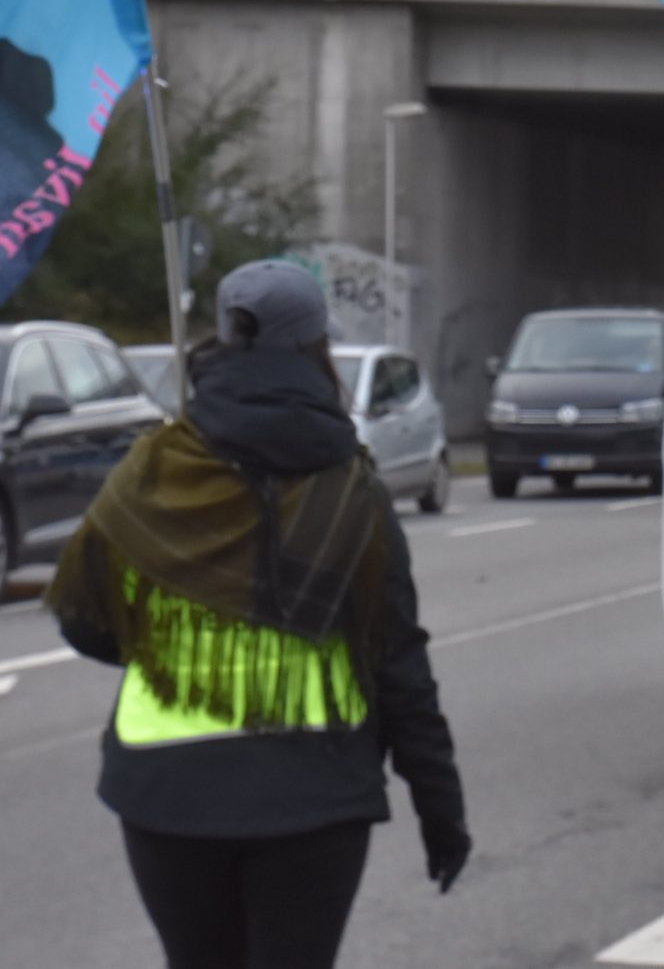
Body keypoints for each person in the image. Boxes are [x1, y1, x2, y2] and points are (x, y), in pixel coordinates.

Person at [45, 260, 469, 969]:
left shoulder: (154, 470)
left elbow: (84, 621)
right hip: (314, 793)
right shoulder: (351, 488)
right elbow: (398, 664)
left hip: (165, 790)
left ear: (222, 336)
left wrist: (176, 646)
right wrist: (440, 809)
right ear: (317, 347)